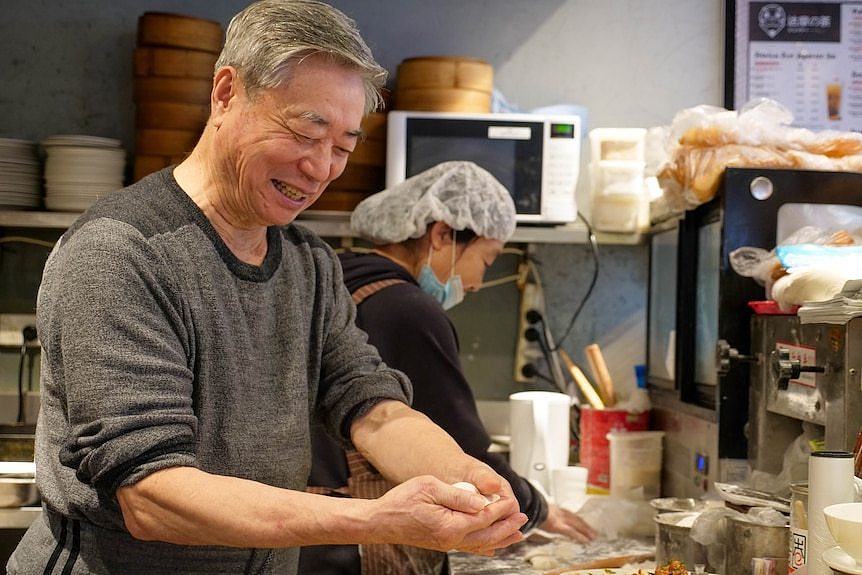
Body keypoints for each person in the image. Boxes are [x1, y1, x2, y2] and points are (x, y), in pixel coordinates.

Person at [8, 2, 530, 574]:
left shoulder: (309, 264)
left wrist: (467, 479)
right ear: (226, 92)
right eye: (306, 132)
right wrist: (377, 518)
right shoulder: (119, 254)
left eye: (344, 146)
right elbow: (153, 495)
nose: (322, 168)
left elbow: (373, 408)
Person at [299, 161, 597, 575]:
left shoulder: (337, 280)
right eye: (487, 261)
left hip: (304, 526)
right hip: (357, 542)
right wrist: (538, 509)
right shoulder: (408, 308)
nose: (475, 284)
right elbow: (460, 450)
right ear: (442, 234)